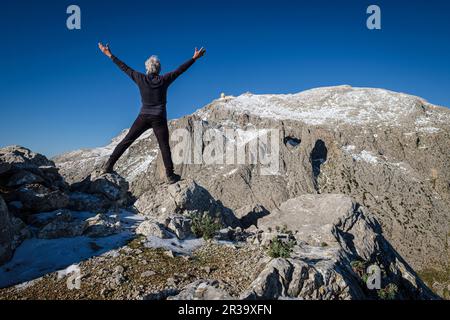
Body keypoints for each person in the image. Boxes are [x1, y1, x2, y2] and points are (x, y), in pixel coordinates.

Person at [97, 43, 206, 183]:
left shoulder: (140, 78)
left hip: (143, 117)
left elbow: (124, 68)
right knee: (164, 146)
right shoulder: (164, 80)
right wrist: (194, 58)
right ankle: (170, 176)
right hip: (159, 118)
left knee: (127, 140)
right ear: (159, 69)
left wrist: (109, 54)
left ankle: (108, 165)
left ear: (147, 68)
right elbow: (180, 70)